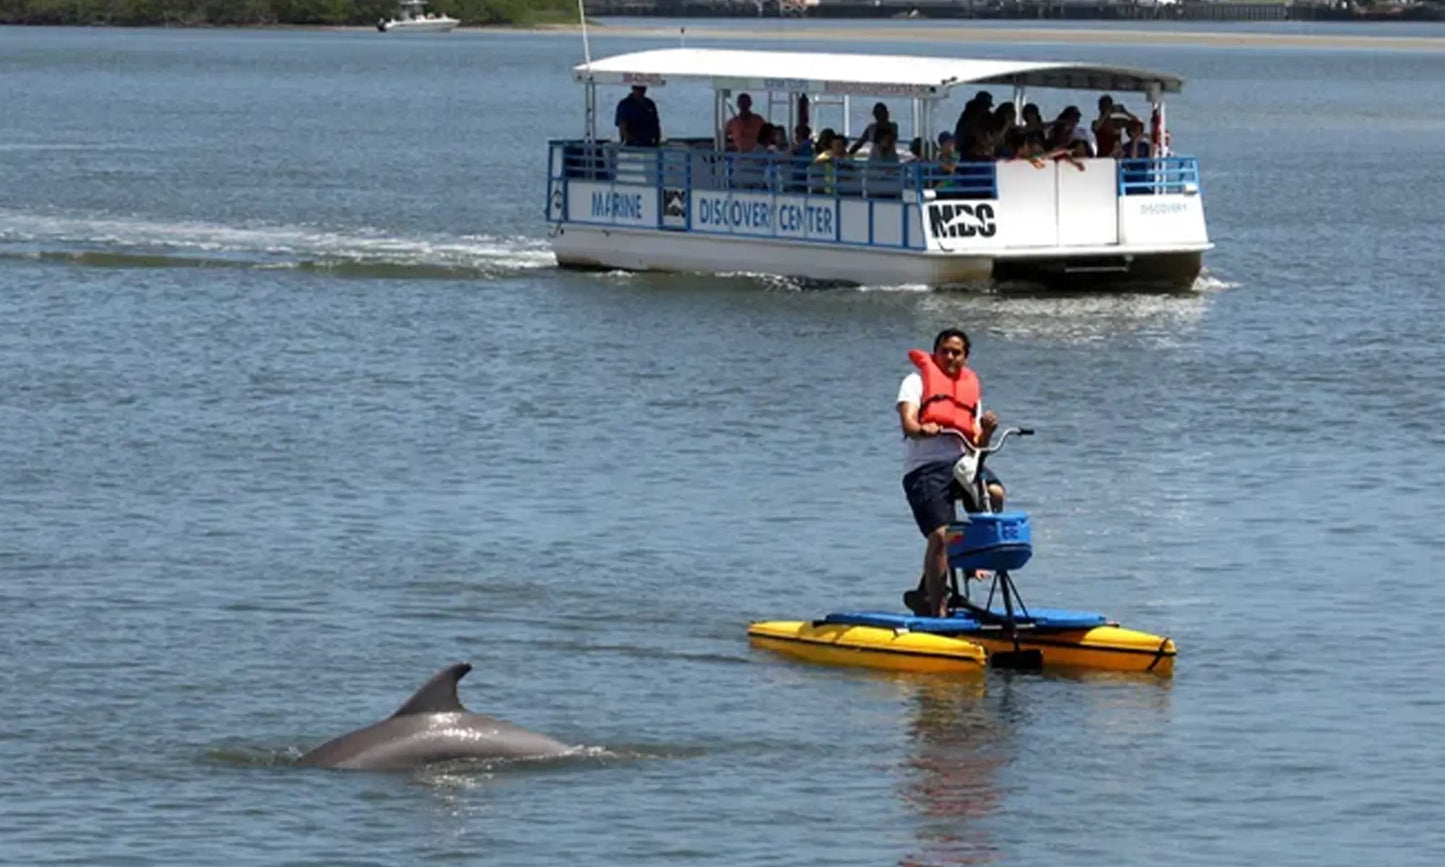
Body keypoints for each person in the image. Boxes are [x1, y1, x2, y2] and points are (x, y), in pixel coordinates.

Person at [897, 329, 1004, 618]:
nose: (949, 356)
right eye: (944, 351)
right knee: (942, 536)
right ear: (935, 353)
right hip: (925, 468)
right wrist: (923, 429)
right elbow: (908, 423)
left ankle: (969, 558)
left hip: (960, 464)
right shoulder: (916, 381)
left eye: (956, 352)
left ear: (965, 357)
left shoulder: (970, 387)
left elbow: (977, 443)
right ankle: (937, 609)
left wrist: (988, 429)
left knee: (994, 494)